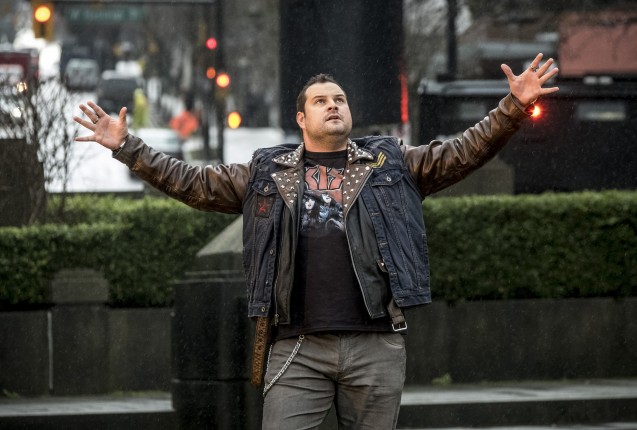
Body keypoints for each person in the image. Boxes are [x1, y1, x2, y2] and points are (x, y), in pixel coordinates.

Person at [74, 53, 558, 429]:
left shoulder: (390, 163)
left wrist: (512, 108)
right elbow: (193, 183)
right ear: (301, 119)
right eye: (321, 101)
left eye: (340, 99)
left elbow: (462, 152)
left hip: (375, 344)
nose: (333, 105)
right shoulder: (266, 172)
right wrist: (127, 147)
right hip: (297, 347)